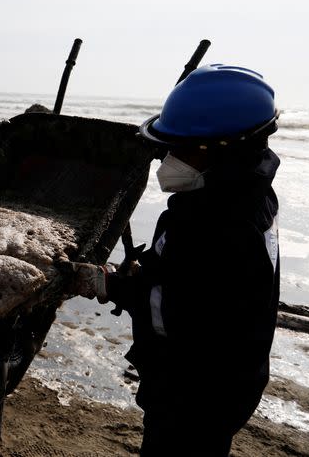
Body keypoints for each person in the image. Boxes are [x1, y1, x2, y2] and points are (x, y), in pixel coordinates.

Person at [68, 64, 281, 456]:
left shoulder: (212, 223)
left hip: (194, 390)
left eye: (180, 149)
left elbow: (170, 313)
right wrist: (145, 271)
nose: (168, 159)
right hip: (235, 378)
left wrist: (108, 283)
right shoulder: (251, 195)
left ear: (222, 150)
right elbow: (201, 284)